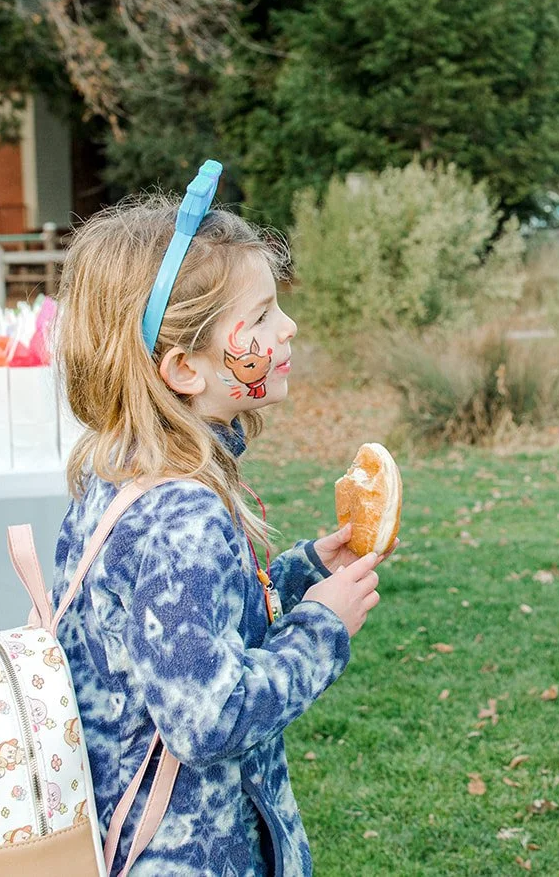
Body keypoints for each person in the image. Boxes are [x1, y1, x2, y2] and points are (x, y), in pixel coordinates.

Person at [52, 188, 384, 876]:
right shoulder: (184, 513)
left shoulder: (116, 471)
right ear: (183, 368)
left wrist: (298, 575)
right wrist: (322, 626)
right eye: (261, 315)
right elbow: (208, 716)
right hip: (190, 854)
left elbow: (163, 634)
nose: (286, 328)